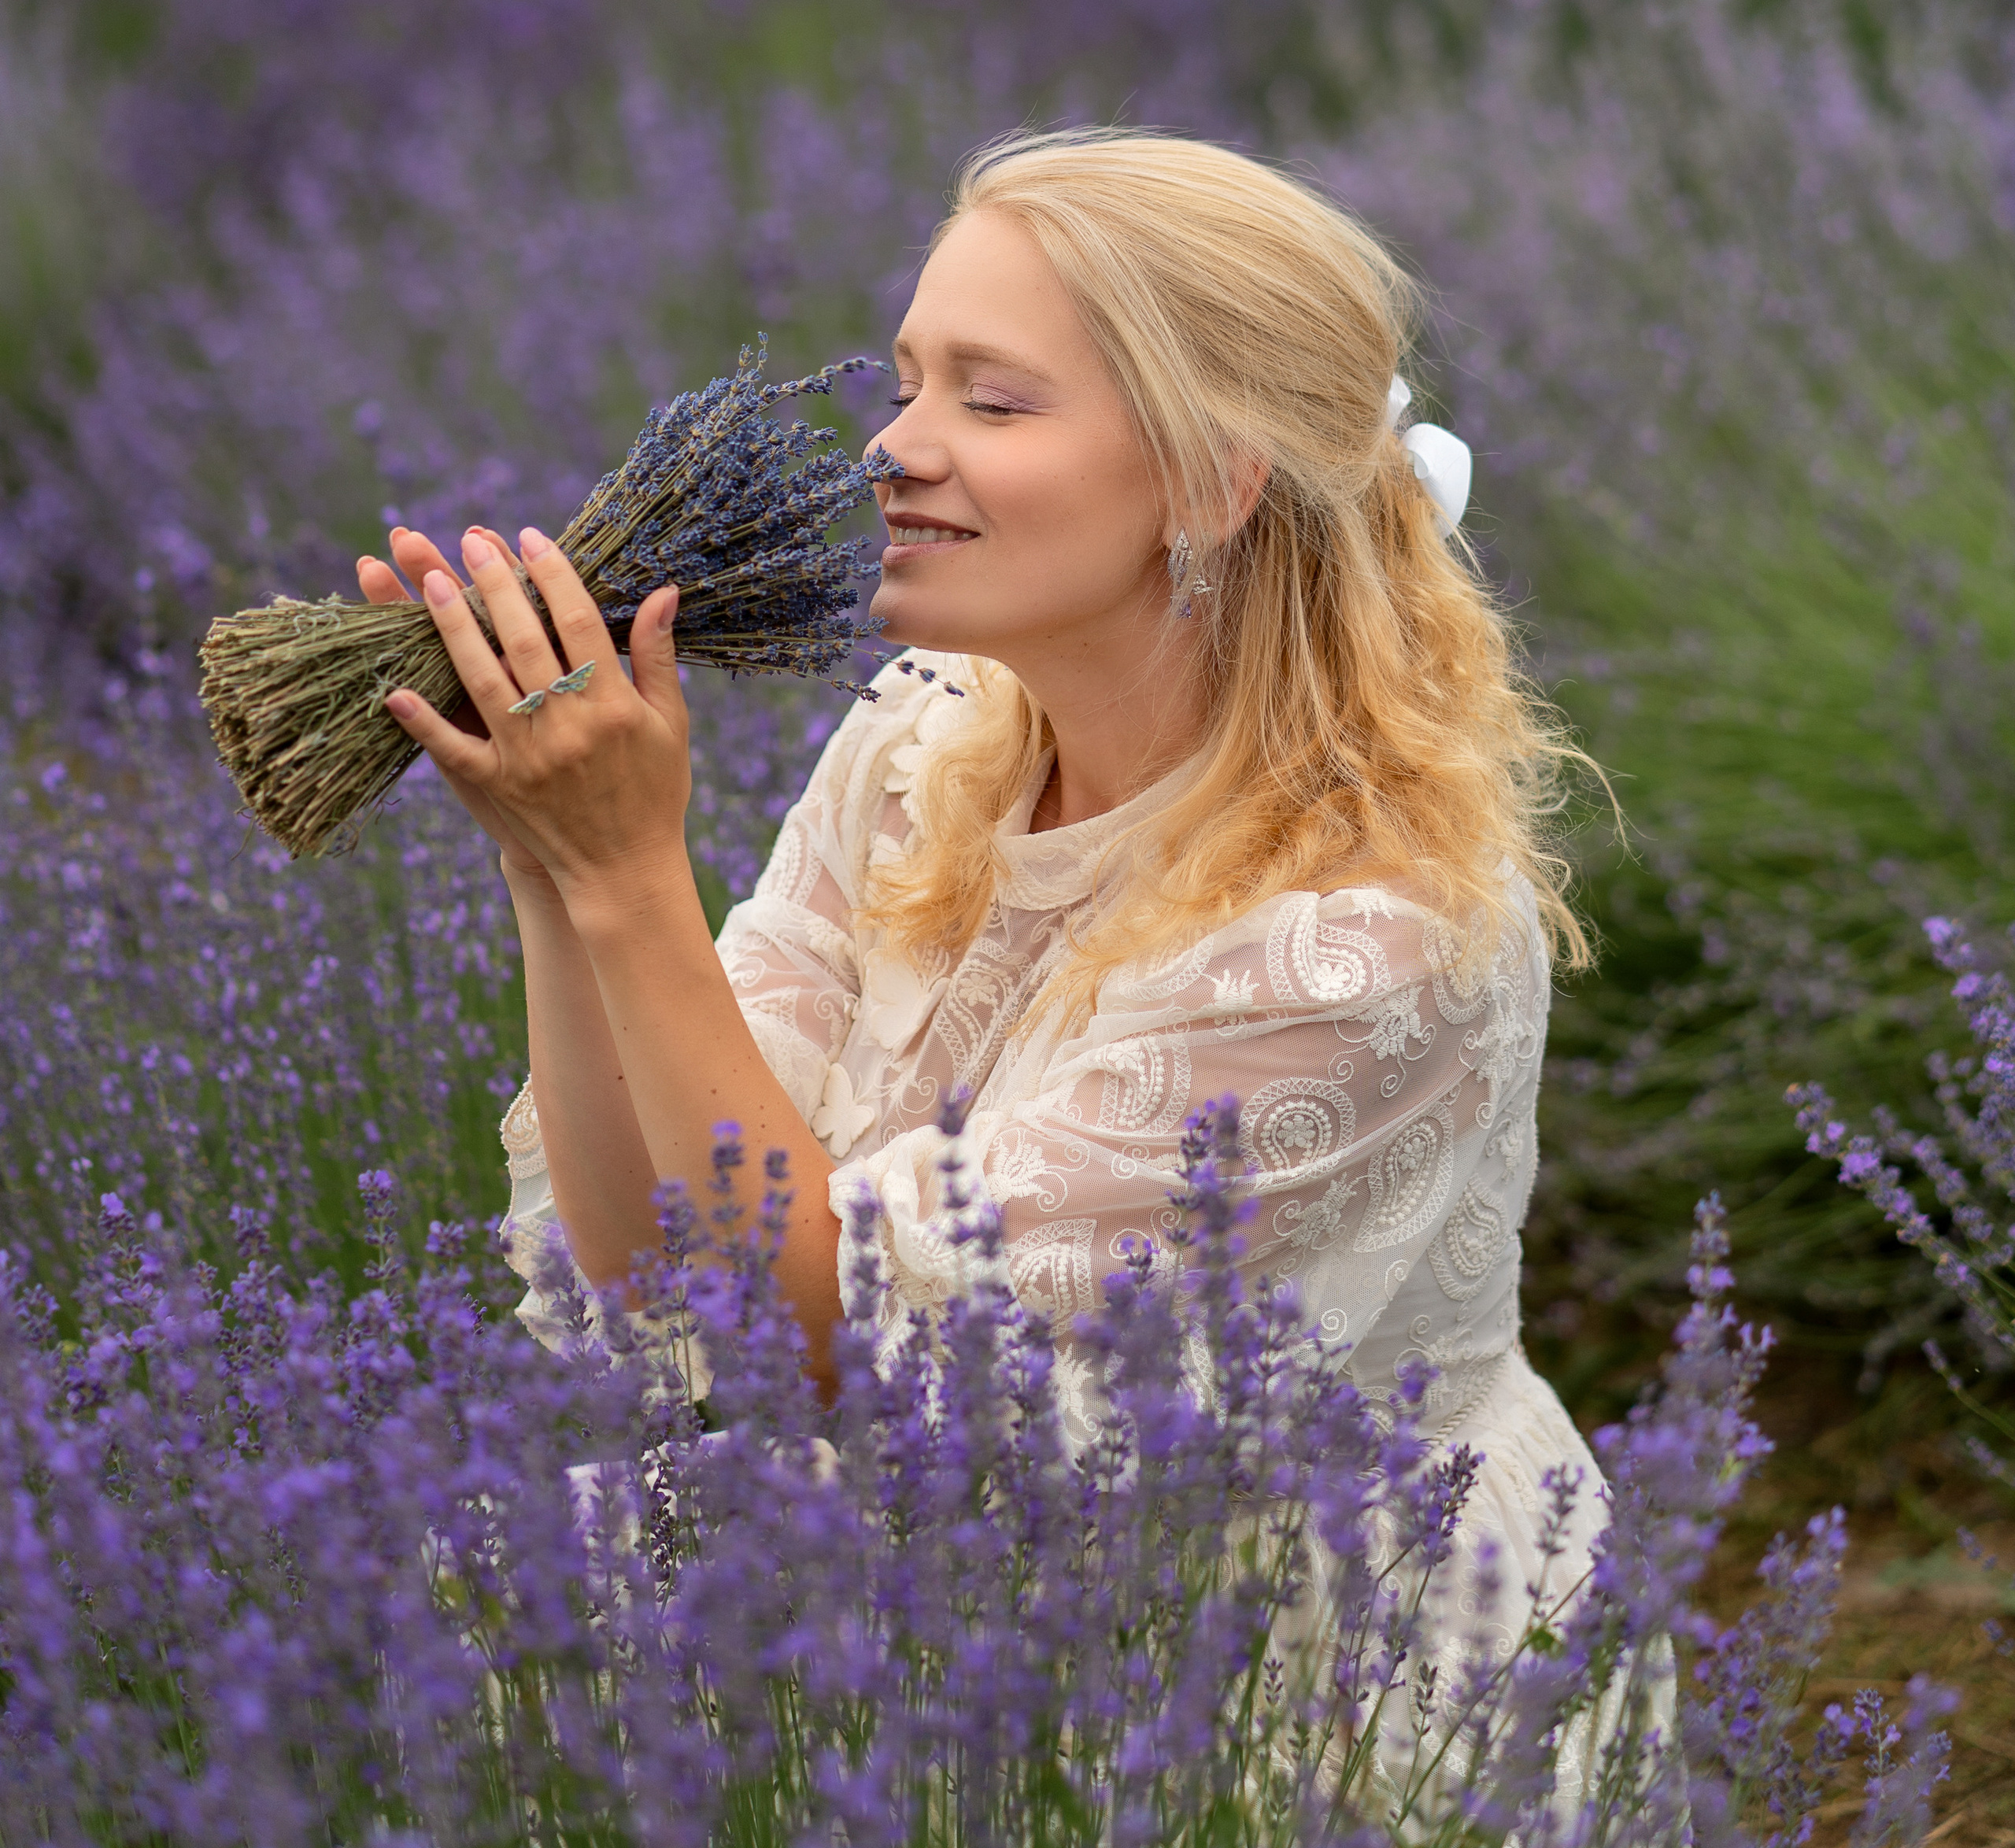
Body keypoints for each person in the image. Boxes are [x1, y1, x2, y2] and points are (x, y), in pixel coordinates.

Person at [359, 127, 1606, 1647]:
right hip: (937, 1562)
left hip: (1261, 1666)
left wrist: (632, 874)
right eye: (904, 384)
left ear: (1213, 485)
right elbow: (657, 1278)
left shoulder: (1360, 938)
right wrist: (556, 860)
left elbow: (835, 1360)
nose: (892, 447)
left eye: (993, 399)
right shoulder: (927, 736)